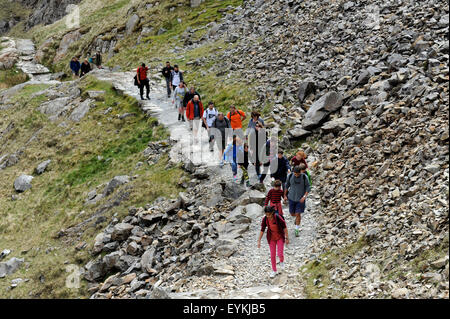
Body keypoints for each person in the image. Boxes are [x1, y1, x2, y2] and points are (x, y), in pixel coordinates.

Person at [257, 205, 289, 278]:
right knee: (272, 255)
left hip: (280, 237)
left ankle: (281, 261)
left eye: (269, 214)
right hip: (271, 238)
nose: (268, 216)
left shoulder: (278, 217)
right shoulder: (265, 219)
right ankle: (274, 270)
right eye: (266, 214)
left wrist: (287, 237)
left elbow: (285, 227)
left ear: (272, 213)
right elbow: (262, 229)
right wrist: (259, 240)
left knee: (280, 253)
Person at [284, 164, 310, 237]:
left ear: (300, 172)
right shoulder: (290, 176)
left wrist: (304, 197)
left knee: (298, 213)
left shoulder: (304, 177)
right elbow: (286, 185)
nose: (296, 175)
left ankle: (297, 229)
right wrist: (285, 195)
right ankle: (296, 219)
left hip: (300, 199)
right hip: (291, 198)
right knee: (292, 213)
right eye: (295, 174)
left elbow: (308, 187)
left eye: (298, 174)